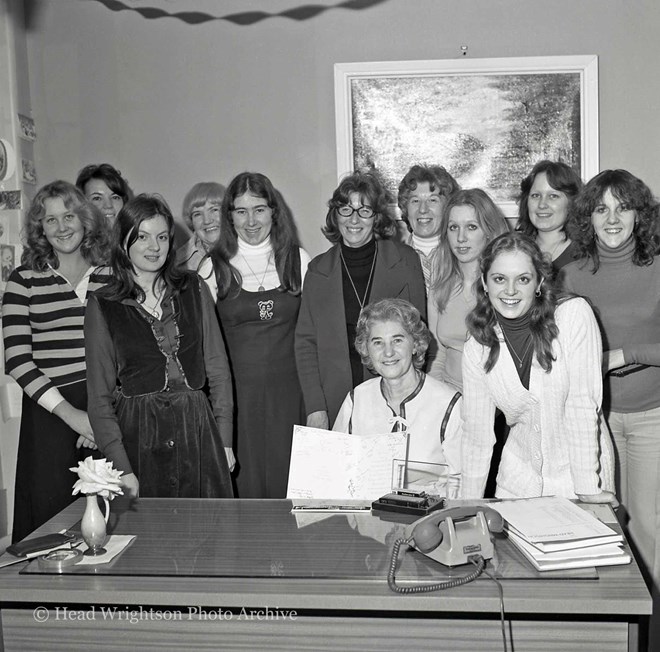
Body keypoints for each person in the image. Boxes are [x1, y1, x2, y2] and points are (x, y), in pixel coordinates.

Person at [85, 194, 233, 499]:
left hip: (198, 429)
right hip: (139, 433)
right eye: (142, 237)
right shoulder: (103, 303)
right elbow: (99, 399)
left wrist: (225, 439)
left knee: (209, 534)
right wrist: (121, 468)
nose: (154, 247)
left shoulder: (194, 288)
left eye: (162, 237)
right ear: (123, 241)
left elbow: (218, 370)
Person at [561, 169, 660, 615]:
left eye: (623, 207)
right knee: (597, 524)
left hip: (651, 417)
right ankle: (605, 622)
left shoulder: (658, 266)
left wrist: (623, 354)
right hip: (590, 421)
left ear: (640, 214)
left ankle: (649, 629)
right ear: (588, 218)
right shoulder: (569, 273)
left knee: (647, 529)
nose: (613, 218)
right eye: (602, 209)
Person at [460, 232, 615, 502]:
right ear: (484, 282)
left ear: (539, 282)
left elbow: (581, 405)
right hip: (517, 480)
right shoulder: (478, 346)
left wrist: (588, 489)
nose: (510, 291)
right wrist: (466, 506)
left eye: (523, 279)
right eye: (499, 279)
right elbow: (477, 436)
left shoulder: (573, 316)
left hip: (581, 475)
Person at [2, 180, 111, 542]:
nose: (62, 227)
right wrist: (74, 417)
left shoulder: (111, 276)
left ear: (85, 220)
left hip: (108, 410)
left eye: (69, 216)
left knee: (111, 521)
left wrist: (99, 415)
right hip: (51, 416)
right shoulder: (24, 281)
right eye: (50, 220)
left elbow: (130, 351)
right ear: (40, 229)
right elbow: (18, 359)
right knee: (50, 529)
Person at [204, 172, 310, 498]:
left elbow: (313, 337)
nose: (251, 220)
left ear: (273, 212)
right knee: (245, 492)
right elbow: (202, 347)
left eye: (259, 209)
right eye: (241, 211)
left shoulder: (298, 260)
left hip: (291, 399)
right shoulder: (212, 267)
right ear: (230, 216)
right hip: (238, 404)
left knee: (292, 489)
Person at [296, 170, 426, 430]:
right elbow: (305, 345)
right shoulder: (317, 270)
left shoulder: (406, 261)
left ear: (376, 217)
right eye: (346, 209)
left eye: (364, 210)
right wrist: (315, 407)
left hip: (393, 396)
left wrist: (412, 399)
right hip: (333, 401)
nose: (354, 219)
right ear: (336, 215)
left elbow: (419, 338)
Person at [333, 299, 462, 498]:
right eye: (377, 342)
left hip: (430, 519)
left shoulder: (449, 404)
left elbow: (460, 483)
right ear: (366, 349)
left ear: (415, 345)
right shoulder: (356, 399)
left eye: (397, 340)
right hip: (368, 518)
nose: (388, 352)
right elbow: (337, 471)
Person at [427, 188, 509, 390]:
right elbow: (436, 354)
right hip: (446, 395)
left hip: (494, 398)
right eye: (453, 227)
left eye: (471, 227)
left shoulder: (505, 287)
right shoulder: (440, 287)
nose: (460, 237)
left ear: (489, 232)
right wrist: (440, 398)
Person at [397, 164, 459, 288]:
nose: (423, 209)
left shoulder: (461, 256)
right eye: (415, 201)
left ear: (447, 207)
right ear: (405, 208)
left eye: (432, 200)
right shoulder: (394, 259)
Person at [516, 160, 582, 272]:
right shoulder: (514, 249)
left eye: (553, 196)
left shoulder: (585, 256)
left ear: (572, 202)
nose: (542, 204)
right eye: (536, 195)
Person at [176, 181, 226, 272]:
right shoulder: (179, 264)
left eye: (214, 210)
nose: (207, 221)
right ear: (191, 221)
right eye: (197, 214)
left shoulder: (251, 249)